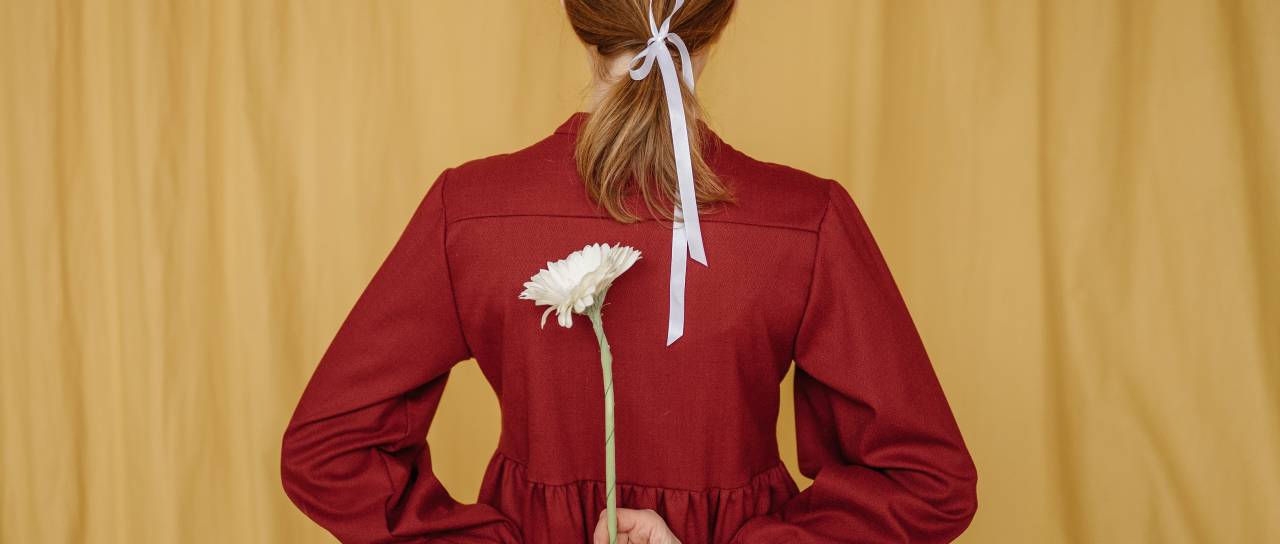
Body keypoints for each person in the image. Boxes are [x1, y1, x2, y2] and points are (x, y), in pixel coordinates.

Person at [279, 1, 978, 542]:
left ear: (580, 24)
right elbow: (926, 483)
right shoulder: (806, 218)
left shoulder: (468, 210)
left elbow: (327, 451)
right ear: (717, 26)